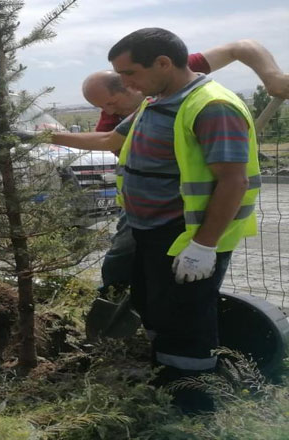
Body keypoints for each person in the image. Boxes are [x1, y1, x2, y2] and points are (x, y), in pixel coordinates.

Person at [49, 28, 269, 413]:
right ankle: (163, 383)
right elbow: (111, 142)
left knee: (187, 321)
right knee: (158, 310)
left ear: (163, 63)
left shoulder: (212, 106)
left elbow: (233, 180)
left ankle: (193, 407)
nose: (126, 83)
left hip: (186, 234)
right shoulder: (155, 100)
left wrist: (203, 246)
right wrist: (50, 139)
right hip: (150, 231)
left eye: (130, 73)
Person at [77, 40, 289, 297]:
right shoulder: (121, 113)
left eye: (111, 101)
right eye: (100, 107)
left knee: (185, 294)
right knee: (126, 258)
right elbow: (111, 140)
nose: (107, 112)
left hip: (186, 215)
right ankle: (121, 300)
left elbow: (240, 47)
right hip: (146, 211)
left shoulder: (177, 77)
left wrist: (272, 76)